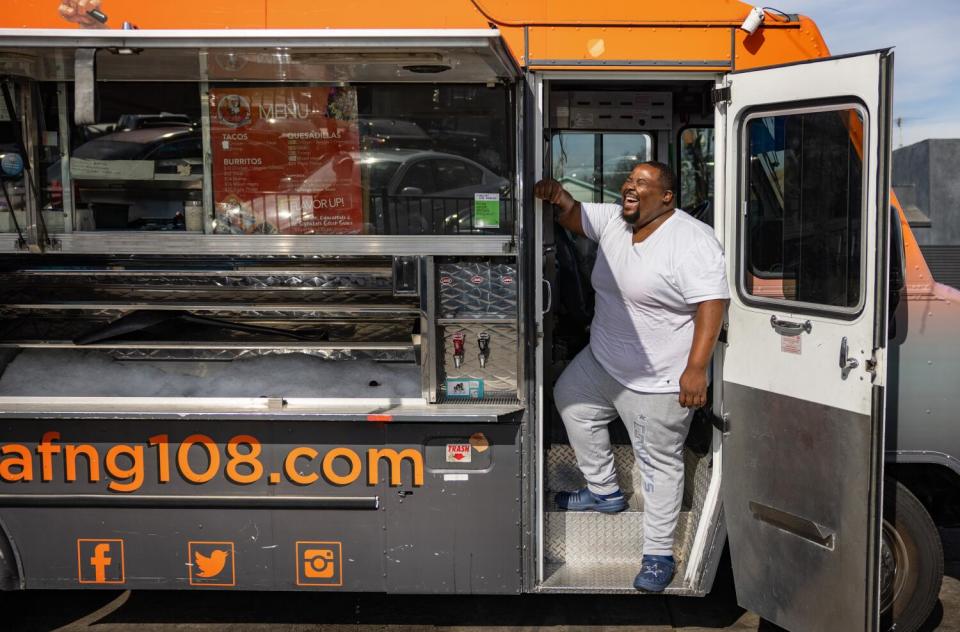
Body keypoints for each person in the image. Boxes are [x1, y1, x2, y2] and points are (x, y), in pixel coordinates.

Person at [534, 161, 728, 593]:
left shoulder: (691, 240)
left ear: (666, 197)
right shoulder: (617, 221)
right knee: (570, 398)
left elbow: (712, 304)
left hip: (657, 380)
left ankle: (658, 553)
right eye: (629, 181)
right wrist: (556, 193)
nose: (631, 187)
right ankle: (604, 492)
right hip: (603, 362)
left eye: (643, 183)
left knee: (658, 466)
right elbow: (573, 214)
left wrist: (696, 370)